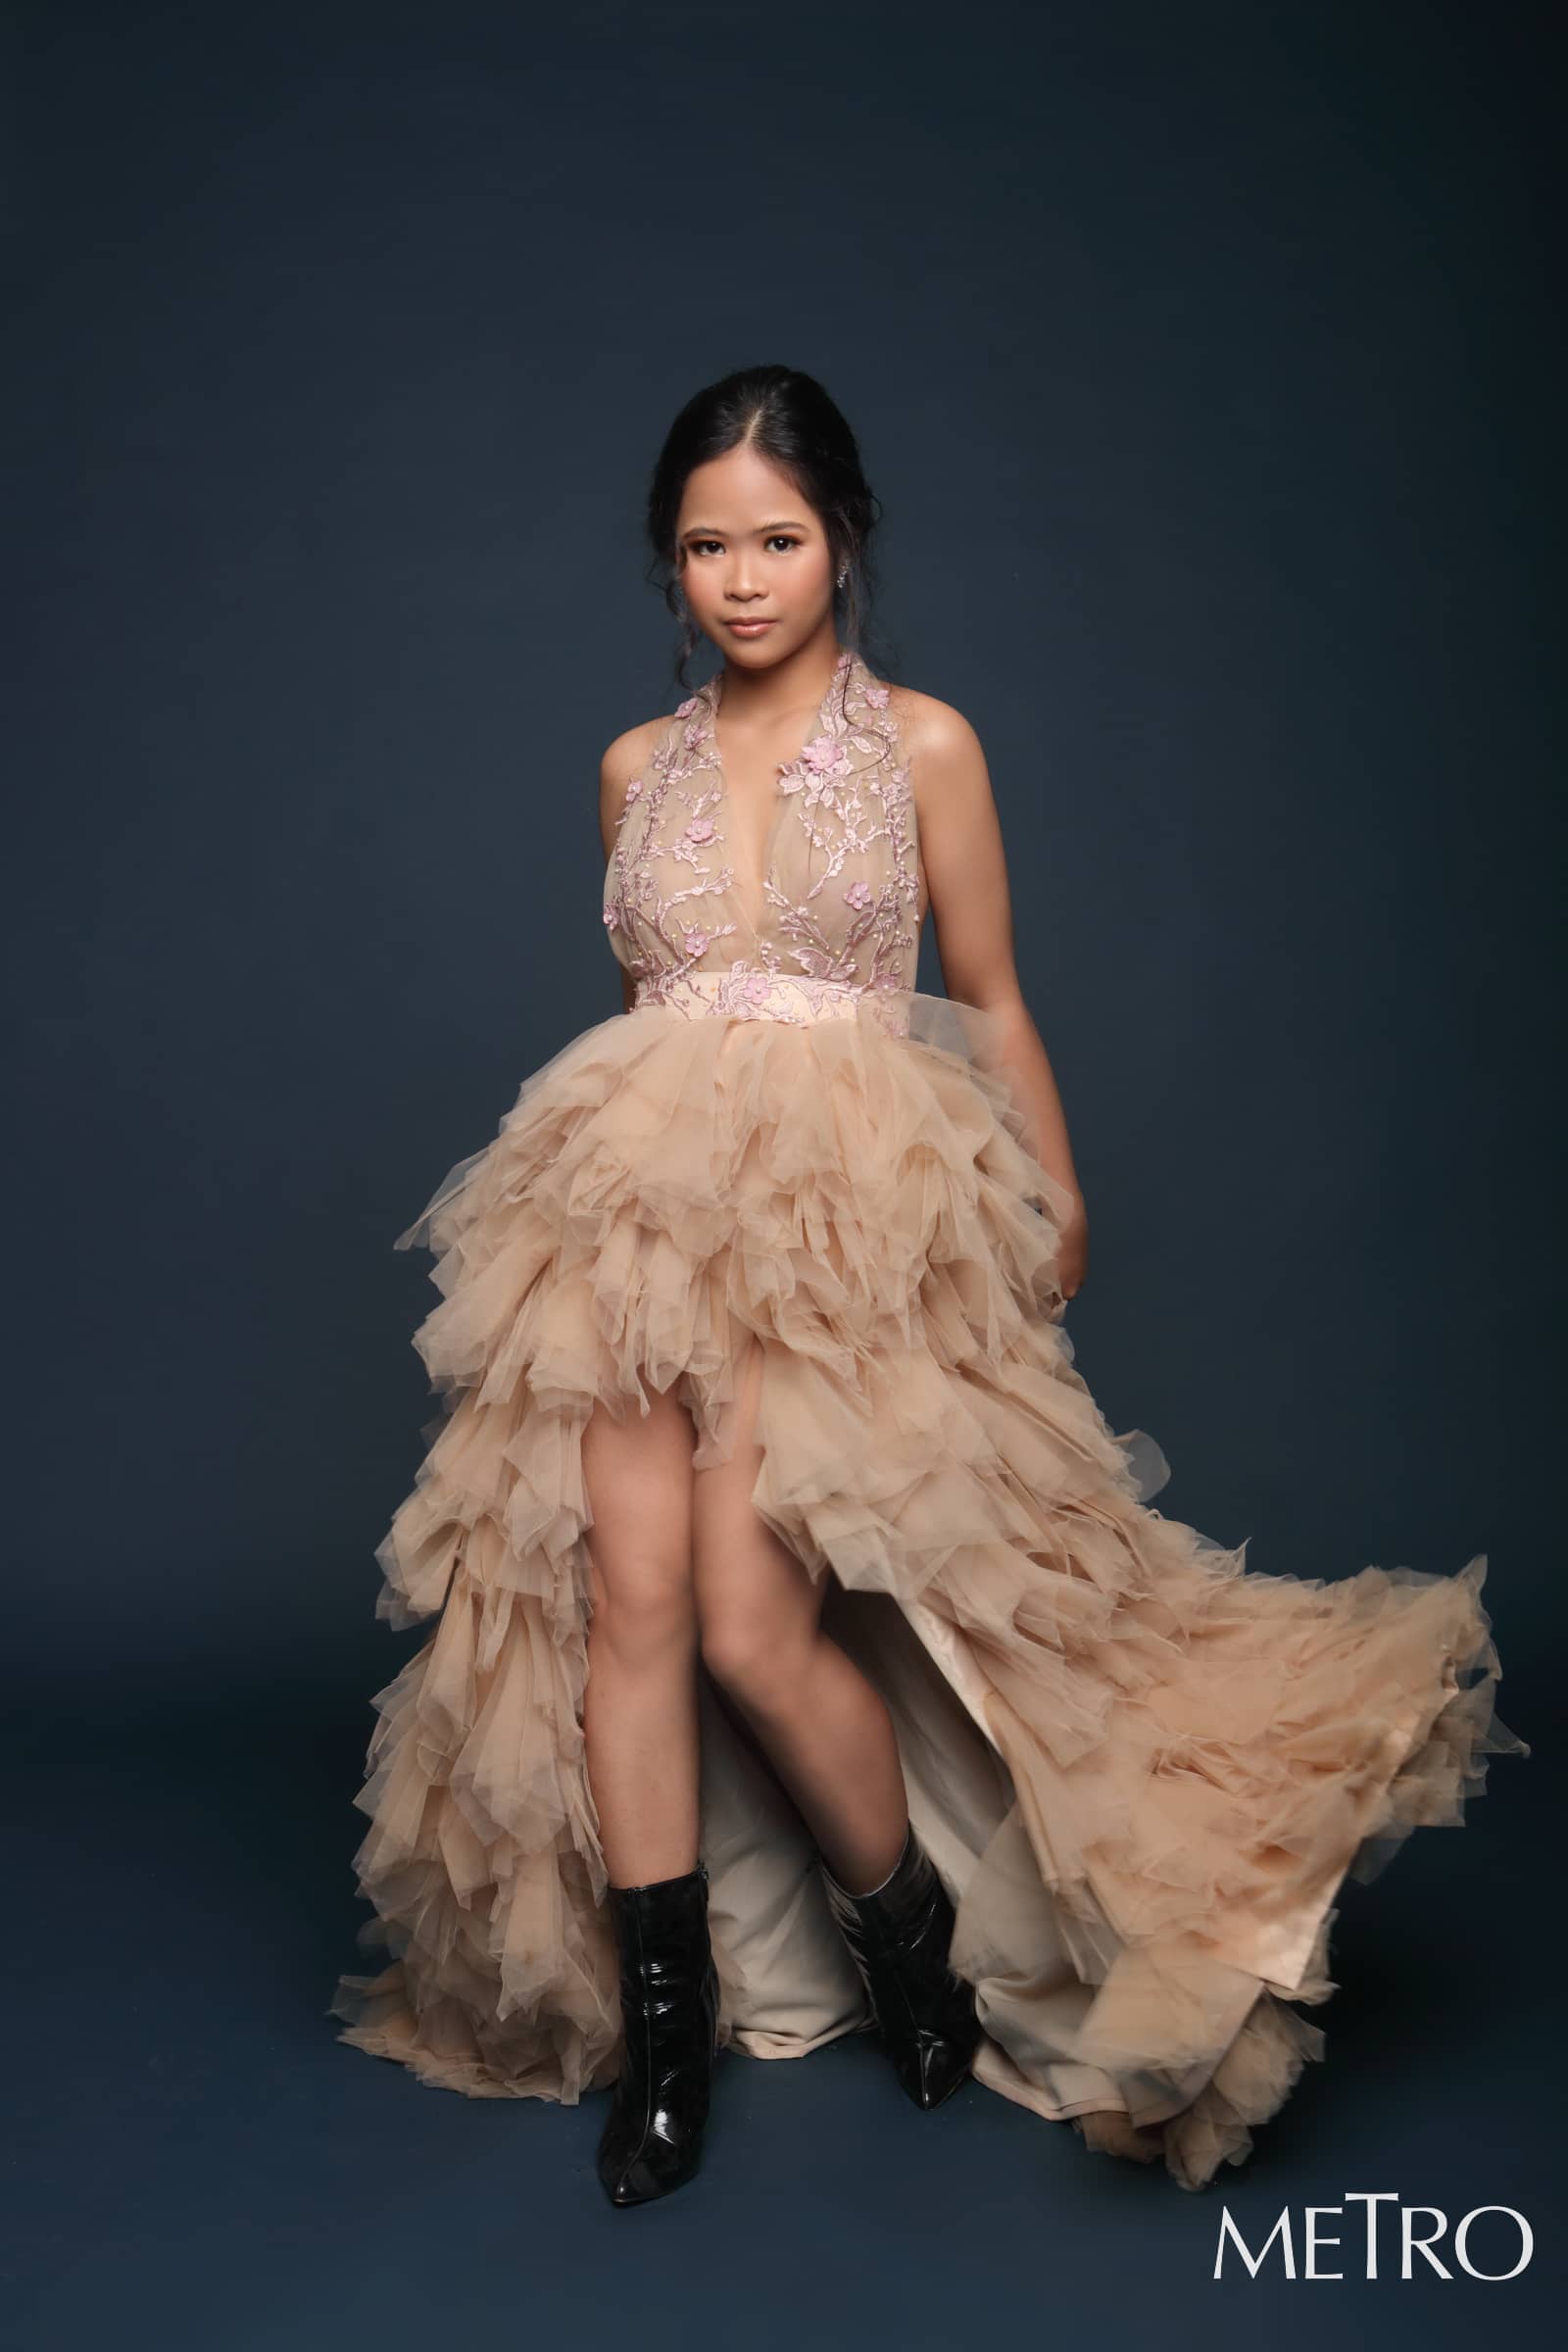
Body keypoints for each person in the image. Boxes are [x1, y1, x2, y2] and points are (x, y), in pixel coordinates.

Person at [328, 363, 1527, 2207]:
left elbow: (994, 995)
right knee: (628, 1608)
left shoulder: (928, 748)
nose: (742, 580)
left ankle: (913, 1957)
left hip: (839, 1229)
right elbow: (660, 1018)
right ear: (670, 564)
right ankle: (666, 2049)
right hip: (631, 1221)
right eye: (705, 548)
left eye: (778, 541)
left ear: (844, 540)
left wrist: (1052, 1195)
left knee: (754, 1625)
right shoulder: (633, 768)